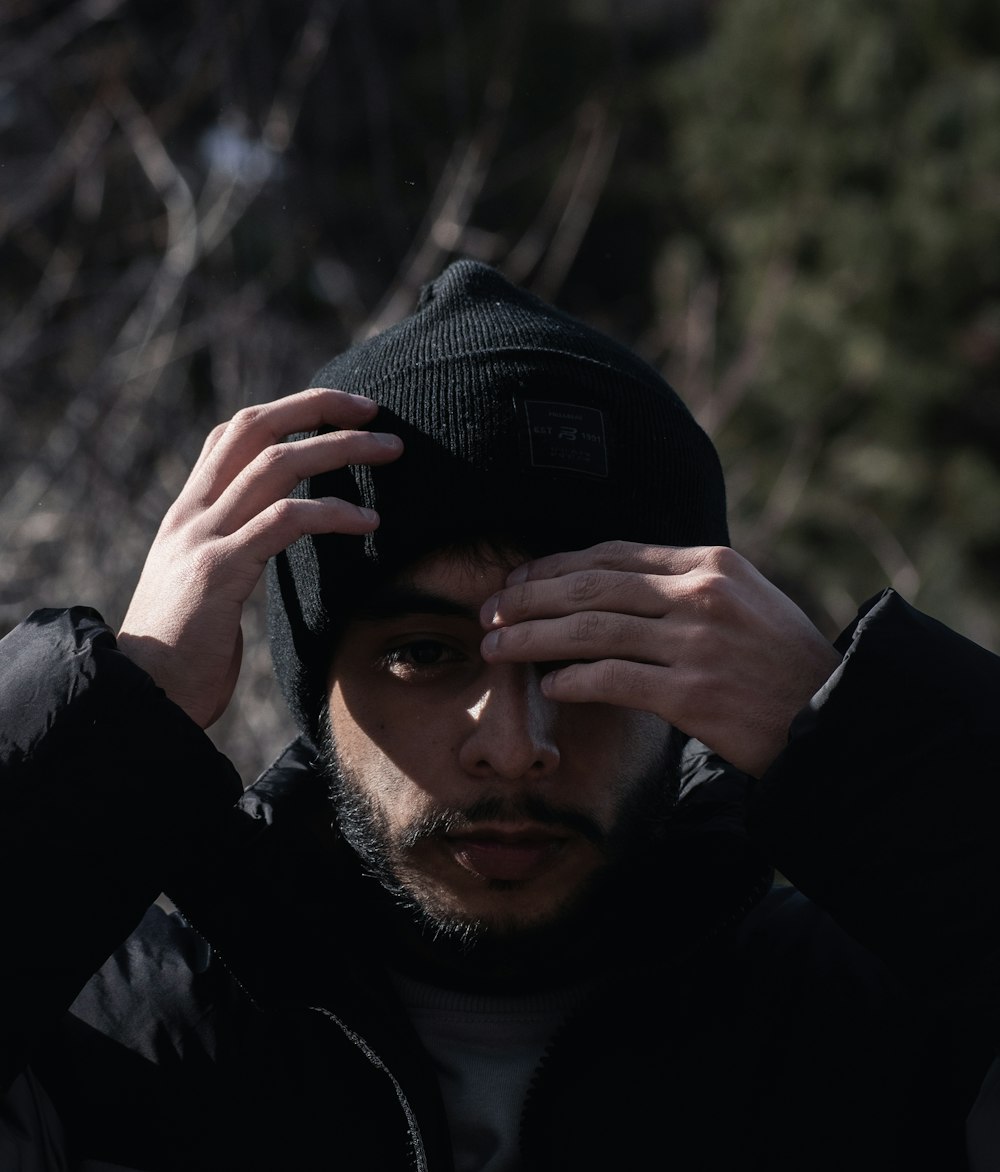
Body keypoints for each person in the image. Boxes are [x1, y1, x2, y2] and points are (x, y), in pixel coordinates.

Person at [1, 259, 997, 1171]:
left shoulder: (881, 1021)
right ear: (319, 688)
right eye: (424, 653)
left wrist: (869, 740)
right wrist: (115, 710)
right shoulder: (108, 1027)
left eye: (585, 652)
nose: (514, 747)